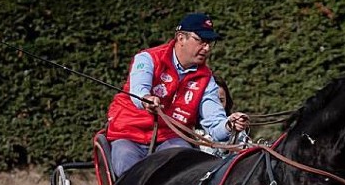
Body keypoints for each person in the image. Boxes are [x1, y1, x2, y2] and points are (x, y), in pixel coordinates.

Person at [105, 13, 250, 176]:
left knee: (183, 168)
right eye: (201, 40)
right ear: (181, 38)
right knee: (127, 168)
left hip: (171, 137)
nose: (207, 48)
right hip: (129, 133)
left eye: (210, 43)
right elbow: (138, 90)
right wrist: (147, 100)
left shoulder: (206, 78)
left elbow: (215, 124)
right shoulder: (147, 58)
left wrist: (229, 125)